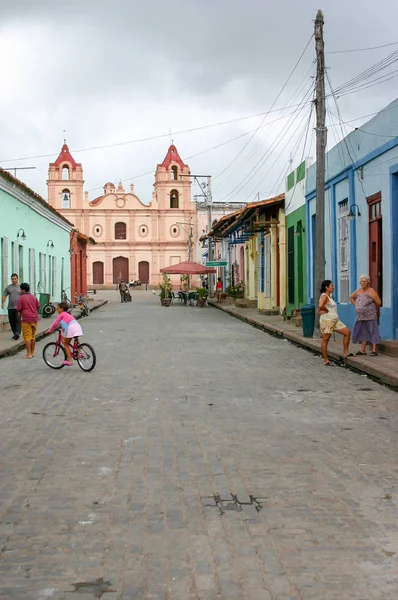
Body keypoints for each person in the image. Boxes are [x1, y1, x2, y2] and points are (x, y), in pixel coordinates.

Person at [318, 280, 352, 366]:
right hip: (327, 321)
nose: (333, 287)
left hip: (335, 320)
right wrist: (326, 310)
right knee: (325, 340)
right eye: (331, 286)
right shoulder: (324, 296)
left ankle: (346, 352)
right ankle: (326, 359)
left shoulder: (329, 297)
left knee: (347, 332)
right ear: (327, 287)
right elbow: (320, 306)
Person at [350, 275, 381, 356]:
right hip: (360, 316)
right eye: (361, 281)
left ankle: (374, 350)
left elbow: (378, 302)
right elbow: (351, 297)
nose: (363, 283)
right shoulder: (358, 291)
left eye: (365, 281)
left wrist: (372, 309)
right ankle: (363, 350)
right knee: (363, 332)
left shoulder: (371, 291)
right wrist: (356, 305)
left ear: (368, 282)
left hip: (370, 316)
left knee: (372, 331)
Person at [48, 302, 83, 366]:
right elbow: (64, 327)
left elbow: (55, 324)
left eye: (58, 308)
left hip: (71, 328)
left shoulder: (61, 314)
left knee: (66, 344)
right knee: (76, 340)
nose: (57, 310)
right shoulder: (68, 314)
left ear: (62, 309)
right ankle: (79, 353)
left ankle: (69, 360)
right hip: (77, 327)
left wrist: (50, 331)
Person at [16, 283, 40, 359]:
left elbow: (19, 309)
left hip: (26, 319)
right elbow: (38, 306)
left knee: (27, 337)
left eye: (20, 289)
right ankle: (32, 353)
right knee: (33, 336)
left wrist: (19, 318)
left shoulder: (21, 298)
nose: (20, 291)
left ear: (23, 290)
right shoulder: (33, 297)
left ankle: (28, 354)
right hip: (34, 318)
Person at [2, 273, 21, 340]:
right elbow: (4, 295)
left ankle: (17, 333)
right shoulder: (8, 287)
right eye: (13, 279)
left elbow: (24, 296)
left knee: (17, 320)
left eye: (15, 279)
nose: (14, 280)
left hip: (18, 308)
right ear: (11, 279)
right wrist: (2, 303)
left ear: (17, 279)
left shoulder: (21, 287)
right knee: (12, 321)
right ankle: (15, 333)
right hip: (10, 307)